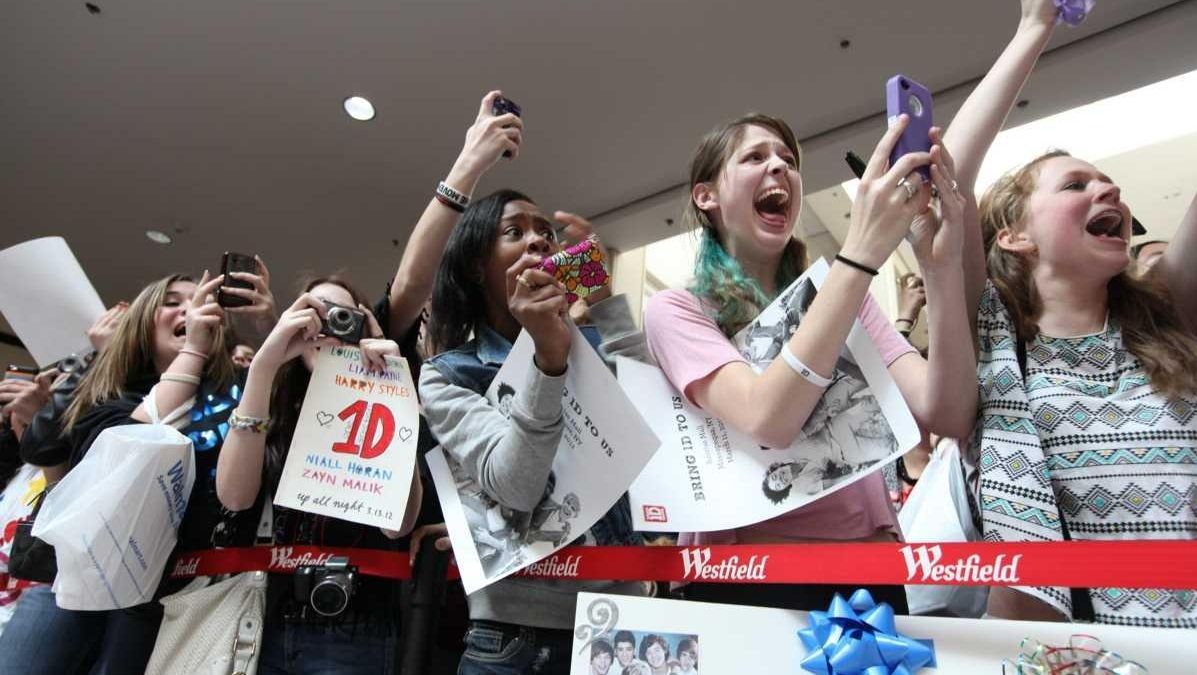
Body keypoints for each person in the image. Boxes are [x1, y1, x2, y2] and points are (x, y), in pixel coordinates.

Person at [642, 109, 976, 612]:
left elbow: (947, 412)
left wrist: (938, 266)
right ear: (705, 195)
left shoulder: (848, 295)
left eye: (788, 160)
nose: (779, 167)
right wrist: (860, 252)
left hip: (870, 572)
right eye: (755, 156)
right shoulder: (678, 310)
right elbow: (766, 418)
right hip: (752, 578)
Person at [942, 0, 1197, 626]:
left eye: (1108, 182)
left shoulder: (1167, 312)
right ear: (1013, 237)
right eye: (1075, 185)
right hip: (1066, 654)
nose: (1108, 190)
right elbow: (945, 177)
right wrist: (1036, 26)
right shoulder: (991, 332)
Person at [420, 186, 650, 674]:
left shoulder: (589, 342)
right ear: (477, 266)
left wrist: (604, 296)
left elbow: (655, 411)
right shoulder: (449, 373)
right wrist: (548, 360)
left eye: (546, 233)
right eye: (514, 231)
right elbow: (515, 486)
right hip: (514, 637)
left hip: (623, 623)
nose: (538, 241)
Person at [0, 270, 272, 675]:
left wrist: (268, 324)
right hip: (71, 576)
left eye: (200, 302)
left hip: (163, 591)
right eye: (173, 302)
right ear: (142, 318)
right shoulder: (107, 388)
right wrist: (187, 349)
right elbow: (126, 447)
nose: (190, 309)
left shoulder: (231, 394)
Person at [215, 276, 423, 674]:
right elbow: (235, 498)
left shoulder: (385, 407)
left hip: (356, 627)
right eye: (316, 312)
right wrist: (264, 365)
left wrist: (392, 385)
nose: (329, 326)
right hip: (264, 618)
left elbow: (398, 525)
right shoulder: (274, 407)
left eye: (344, 317)